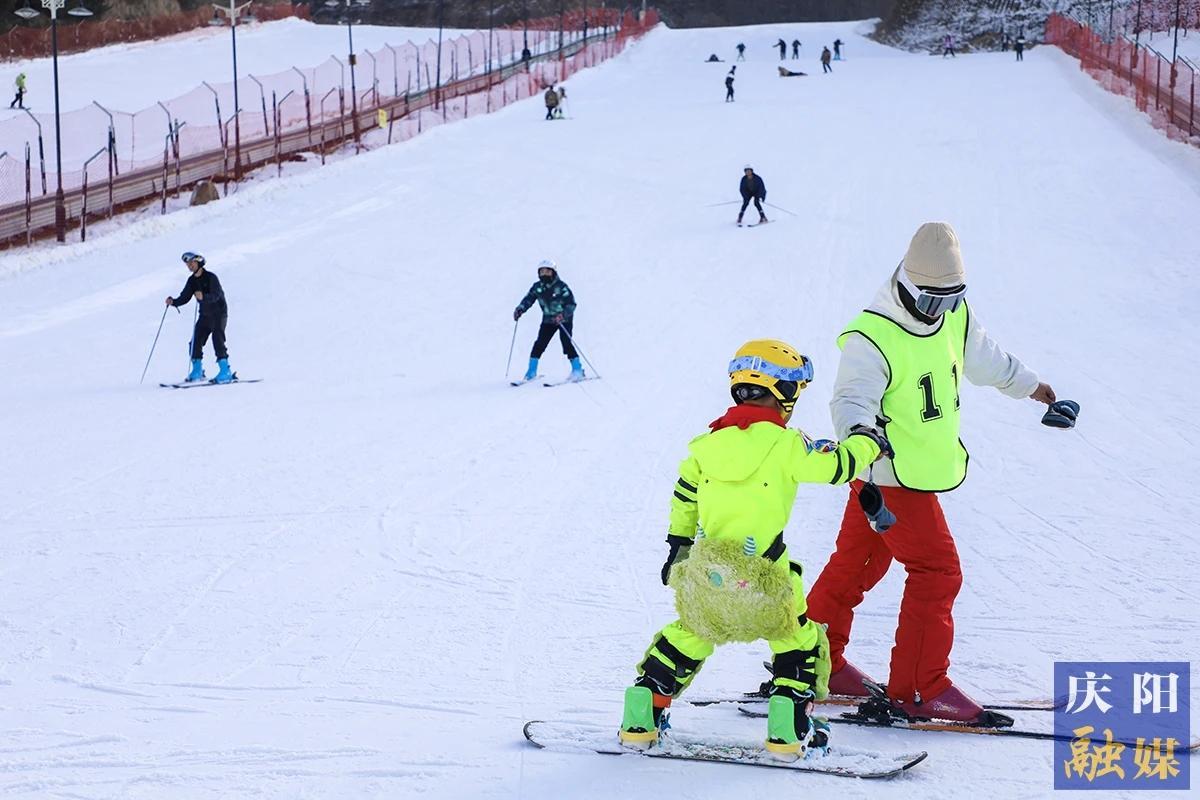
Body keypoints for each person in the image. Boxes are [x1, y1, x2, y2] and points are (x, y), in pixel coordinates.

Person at [803, 222, 1059, 725]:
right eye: (931, 301)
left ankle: (815, 663)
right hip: (894, 476)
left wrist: (1030, 386)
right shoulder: (872, 334)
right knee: (938, 571)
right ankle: (918, 690)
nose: (940, 311)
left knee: (856, 566)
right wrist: (861, 432)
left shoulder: (952, 314)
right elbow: (851, 399)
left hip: (903, 476)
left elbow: (983, 358)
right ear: (907, 283)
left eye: (950, 300)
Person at [617, 340, 887, 758]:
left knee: (687, 636)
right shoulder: (787, 446)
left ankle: (640, 716)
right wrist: (868, 441)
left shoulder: (704, 446)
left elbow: (685, 497)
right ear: (784, 393)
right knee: (797, 641)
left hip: (710, 575)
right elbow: (838, 468)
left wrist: (678, 546)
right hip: (766, 578)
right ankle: (788, 730)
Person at [164, 252, 234, 383]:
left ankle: (226, 371)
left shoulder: (211, 277)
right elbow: (185, 297)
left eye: (192, 263)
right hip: (205, 315)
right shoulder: (192, 281)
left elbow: (217, 295)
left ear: (199, 263)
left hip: (218, 314)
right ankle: (197, 371)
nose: (189, 266)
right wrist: (173, 302)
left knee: (217, 340)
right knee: (195, 341)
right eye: (188, 264)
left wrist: (204, 297)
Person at [513, 259, 583, 382]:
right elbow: (529, 299)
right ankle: (531, 371)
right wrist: (520, 309)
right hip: (548, 320)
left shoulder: (561, 287)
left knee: (566, 342)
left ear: (553, 273)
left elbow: (571, 304)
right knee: (539, 344)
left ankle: (577, 369)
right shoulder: (537, 287)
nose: (544, 274)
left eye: (547, 272)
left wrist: (563, 315)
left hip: (563, 320)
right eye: (542, 272)